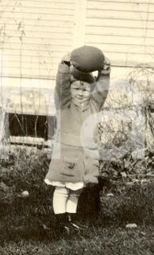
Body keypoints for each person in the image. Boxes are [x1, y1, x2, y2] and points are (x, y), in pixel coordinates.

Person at [45, 50, 111, 229]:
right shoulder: (64, 104)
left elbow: (102, 91)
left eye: (85, 88)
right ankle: (59, 223)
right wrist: (64, 66)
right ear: (70, 89)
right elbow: (61, 86)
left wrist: (104, 71)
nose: (81, 92)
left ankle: (70, 220)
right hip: (65, 155)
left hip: (85, 157)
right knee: (62, 188)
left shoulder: (93, 106)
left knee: (76, 190)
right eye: (76, 88)